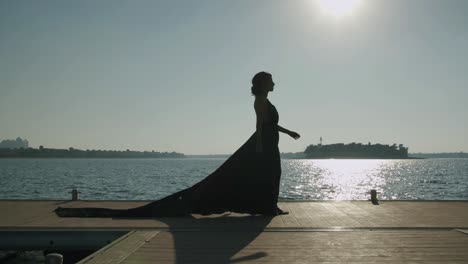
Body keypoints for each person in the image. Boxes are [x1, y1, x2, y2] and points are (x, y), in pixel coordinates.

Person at [55, 71, 300, 217]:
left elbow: (270, 125)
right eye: (271, 80)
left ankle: (269, 206)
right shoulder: (259, 100)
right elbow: (259, 126)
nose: (274, 83)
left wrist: (288, 132)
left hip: (270, 143)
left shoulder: (266, 101)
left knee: (271, 175)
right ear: (263, 84)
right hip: (262, 146)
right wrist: (258, 149)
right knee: (263, 174)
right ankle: (268, 207)